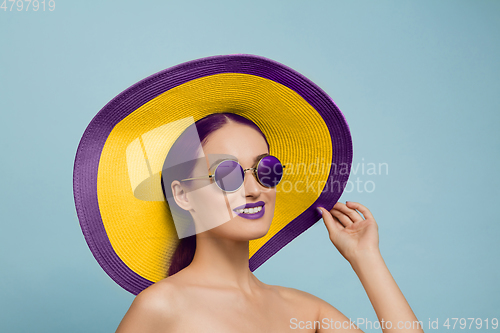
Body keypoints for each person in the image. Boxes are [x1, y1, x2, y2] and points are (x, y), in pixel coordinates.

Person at [115, 113, 424, 333]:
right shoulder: (161, 307)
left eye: (266, 169)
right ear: (183, 196)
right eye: (226, 174)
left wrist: (366, 258)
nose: (254, 190)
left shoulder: (304, 311)